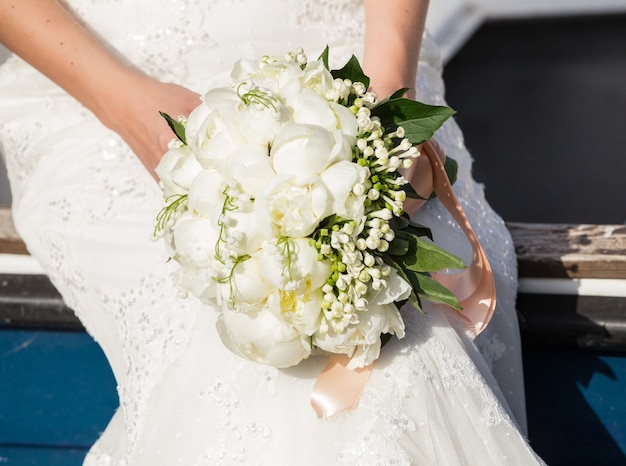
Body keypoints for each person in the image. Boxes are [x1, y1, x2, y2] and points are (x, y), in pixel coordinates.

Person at [0, 0, 545, 464]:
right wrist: (126, 107)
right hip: (100, 82)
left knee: (409, 329)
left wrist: (384, 101)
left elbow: (383, 91)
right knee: (249, 348)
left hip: (357, 54)